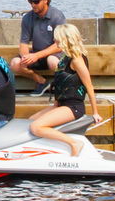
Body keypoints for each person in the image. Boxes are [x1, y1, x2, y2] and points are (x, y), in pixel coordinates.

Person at [27, 23, 100, 158]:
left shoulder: (77, 60)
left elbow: (89, 86)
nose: (54, 41)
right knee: (29, 122)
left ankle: (74, 143)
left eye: (56, 39)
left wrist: (95, 112)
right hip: (62, 105)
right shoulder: (64, 59)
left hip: (73, 107)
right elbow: (59, 85)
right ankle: (45, 151)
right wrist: (55, 106)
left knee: (36, 127)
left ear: (64, 39)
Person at [12, 0, 66, 94]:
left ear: (45, 0)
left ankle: (63, 86)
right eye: (30, 2)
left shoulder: (57, 17)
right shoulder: (28, 18)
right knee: (15, 63)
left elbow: (59, 46)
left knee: (52, 61)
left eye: (36, 2)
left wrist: (36, 55)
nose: (33, 5)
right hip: (36, 55)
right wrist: (25, 58)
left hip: (55, 55)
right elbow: (23, 43)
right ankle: (41, 82)